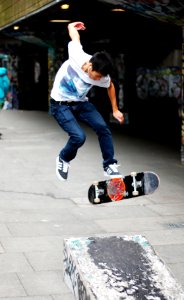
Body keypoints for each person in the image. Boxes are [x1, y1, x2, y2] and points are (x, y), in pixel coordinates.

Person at [50, 21, 124, 181]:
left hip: (80, 103)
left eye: (100, 78)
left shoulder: (102, 77)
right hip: (60, 104)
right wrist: (72, 26)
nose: (97, 80)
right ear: (90, 65)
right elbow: (74, 37)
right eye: (96, 76)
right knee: (79, 137)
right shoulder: (77, 55)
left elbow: (110, 86)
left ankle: (109, 165)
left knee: (102, 127)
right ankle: (63, 158)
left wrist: (115, 109)